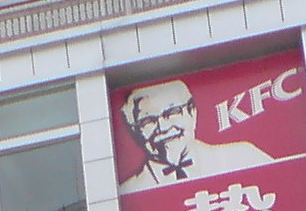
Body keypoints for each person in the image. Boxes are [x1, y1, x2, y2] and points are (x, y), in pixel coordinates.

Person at [117, 78, 274, 191]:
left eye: (172, 112)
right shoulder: (129, 191)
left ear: (192, 112)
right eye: (147, 121)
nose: (163, 127)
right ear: (134, 130)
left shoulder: (244, 157)